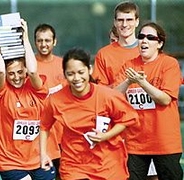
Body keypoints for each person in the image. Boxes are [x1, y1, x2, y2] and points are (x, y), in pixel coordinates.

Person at [40, 47, 139, 180]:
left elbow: (127, 118)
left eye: (81, 72)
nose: (77, 78)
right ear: (64, 74)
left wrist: (106, 136)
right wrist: (43, 153)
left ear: (89, 70)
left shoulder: (107, 96)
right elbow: (44, 126)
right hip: (74, 165)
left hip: (107, 164)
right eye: (70, 74)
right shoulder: (55, 100)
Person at [0, 19, 55, 180]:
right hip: (10, 160)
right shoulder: (0, 91)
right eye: (12, 74)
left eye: (19, 72)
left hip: (39, 157)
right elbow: (1, 72)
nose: (16, 77)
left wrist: (25, 37)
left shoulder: (36, 88)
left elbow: (32, 71)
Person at [114, 22, 183, 180]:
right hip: (135, 144)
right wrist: (127, 82)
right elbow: (113, 97)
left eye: (150, 37)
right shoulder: (129, 65)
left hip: (165, 143)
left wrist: (142, 83)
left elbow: (165, 99)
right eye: (141, 36)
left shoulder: (169, 64)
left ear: (159, 43)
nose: (144, 40)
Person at [107, 22, 159, 180]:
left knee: (153, 174)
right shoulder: (106, 57)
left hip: (150, 133)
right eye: (112, 40)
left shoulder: (146, 58)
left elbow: (164, 96)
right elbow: (107, 95)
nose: (116, 43)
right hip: (121, 129)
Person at [34, 23, 66, 179]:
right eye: (40, 40)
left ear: (55, 42)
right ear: (35, 42)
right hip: (42, 133)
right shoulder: (30, 66)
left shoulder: (63, 65)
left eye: (47, 40)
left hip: (64, 131)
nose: (43, 44)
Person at [92, 1, 140, 87]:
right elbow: (100, 91)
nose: (124, 24)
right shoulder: (104, 54)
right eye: (120, 20)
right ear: (115, 22)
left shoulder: (148, 50)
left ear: (137, 22)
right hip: (115, 100)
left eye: (129, 20)